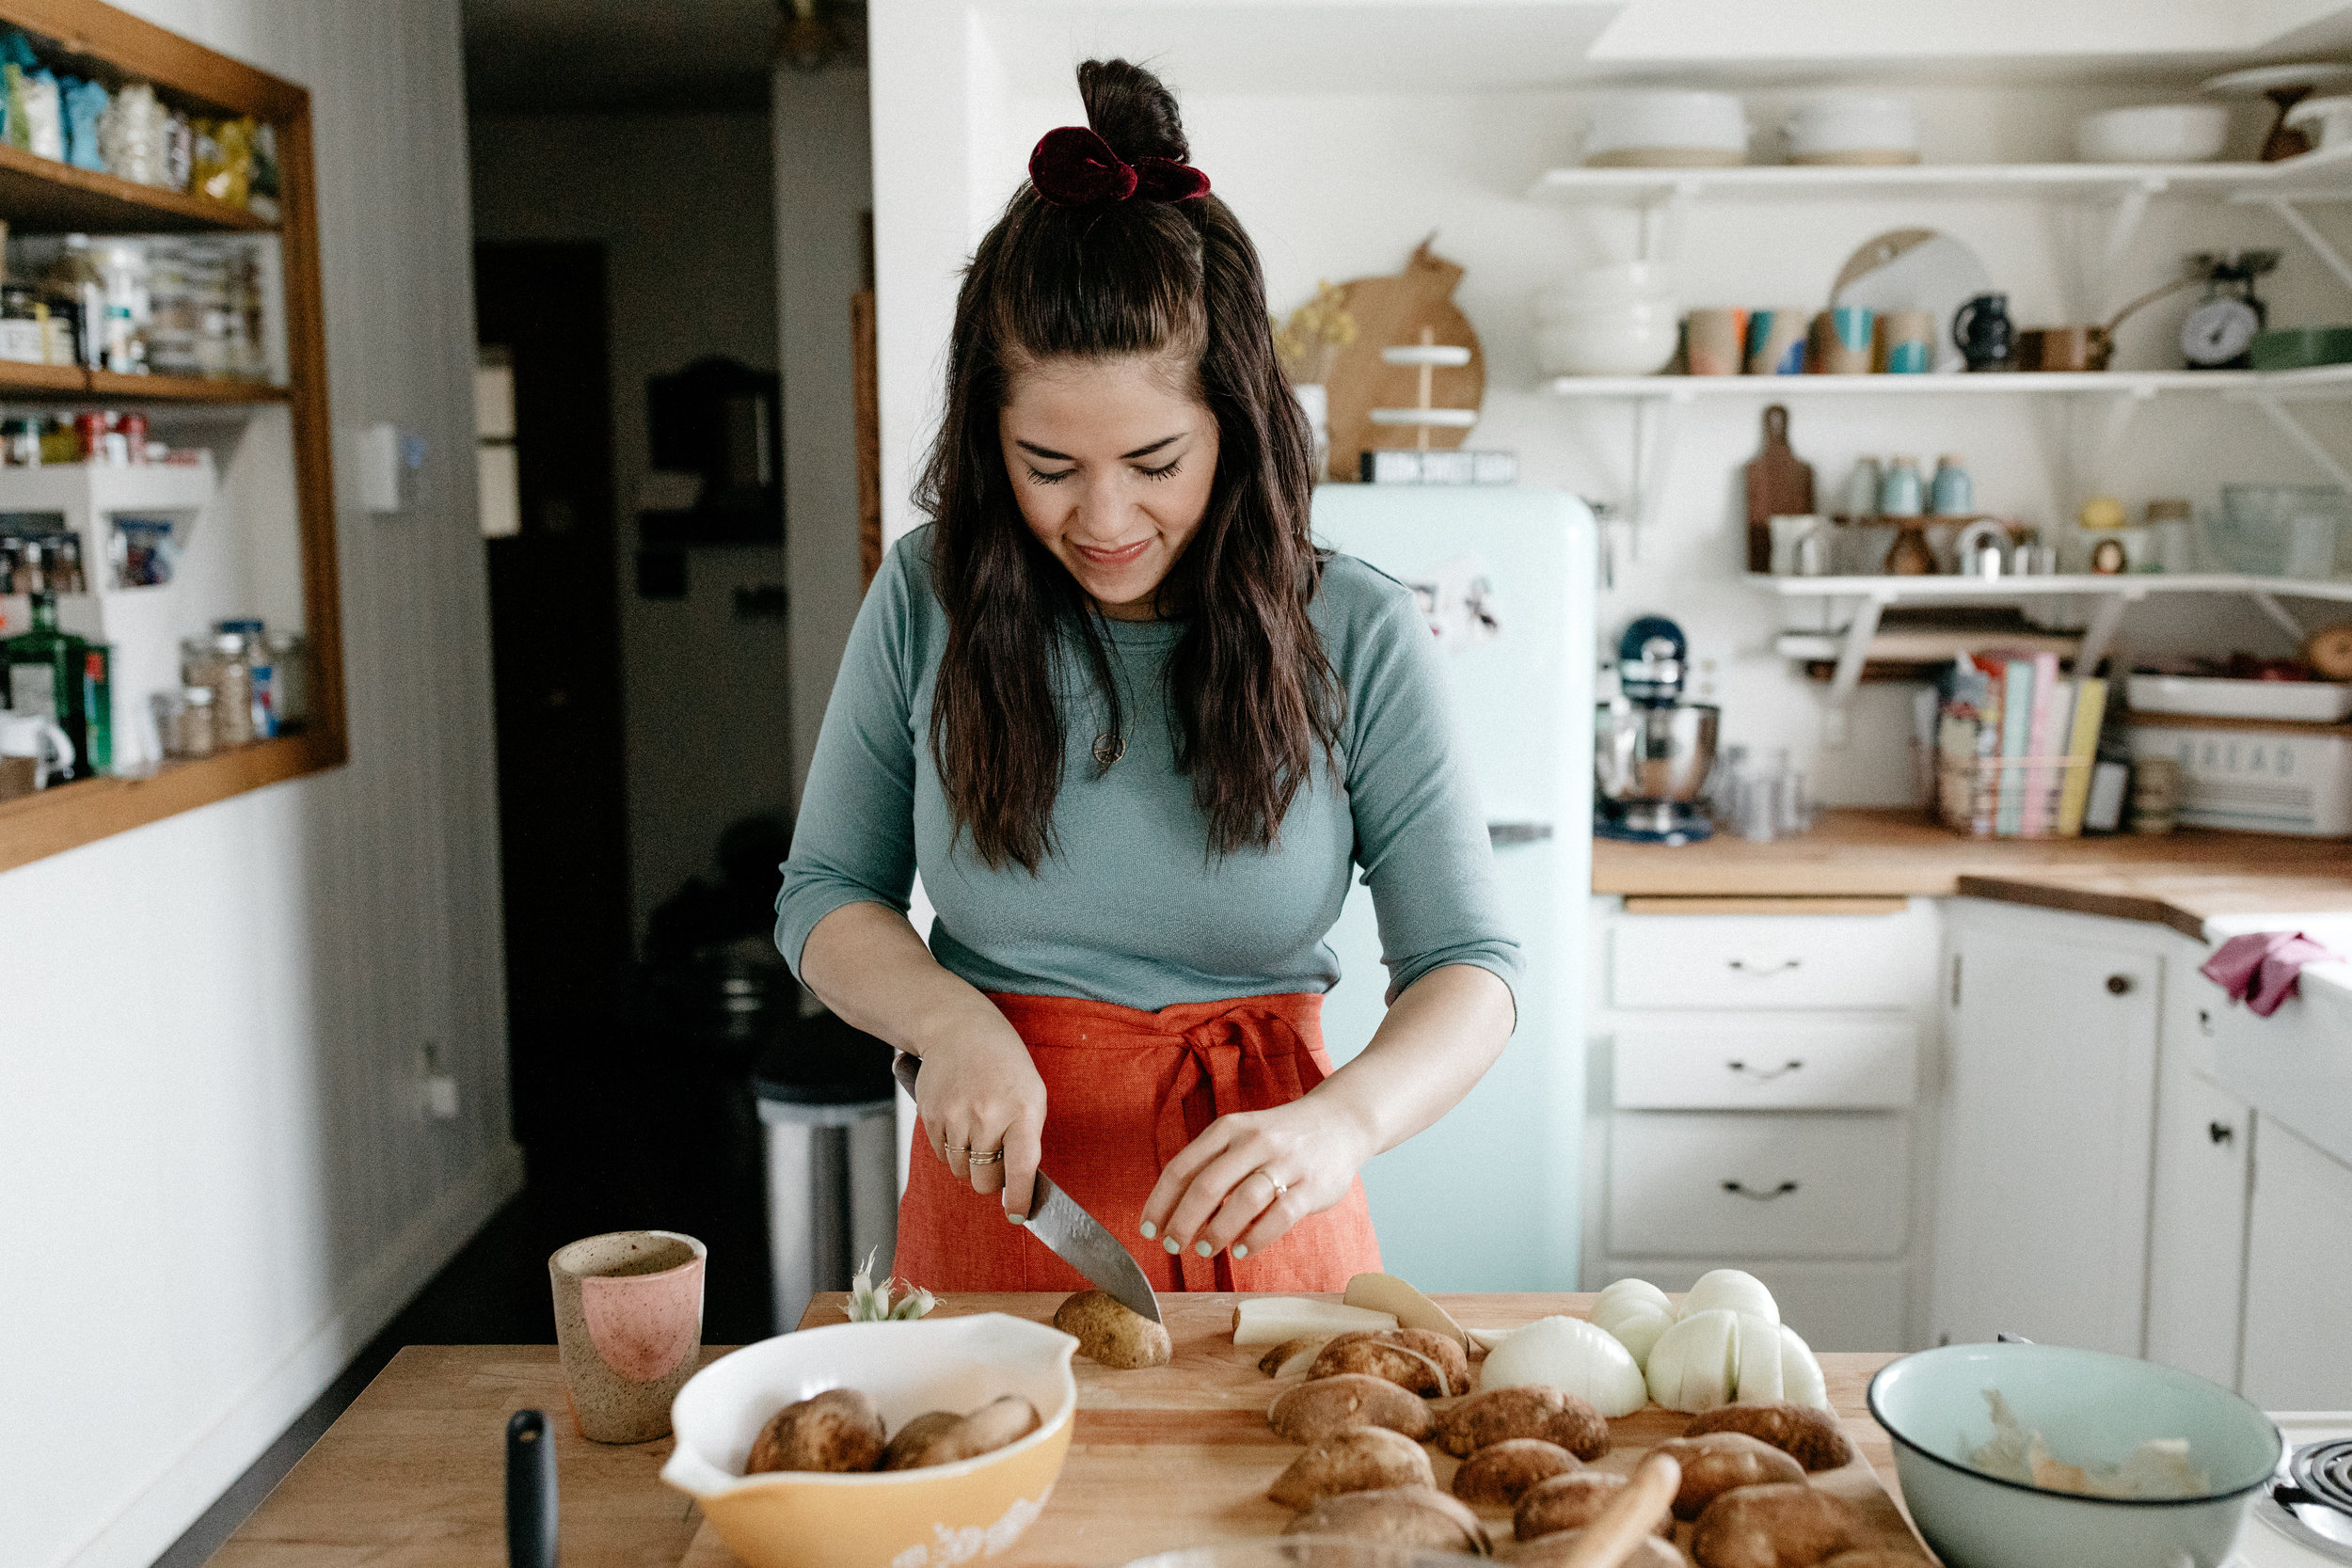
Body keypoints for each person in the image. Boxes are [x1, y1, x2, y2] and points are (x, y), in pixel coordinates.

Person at [775, 58, 1518, 1293]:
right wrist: (948, 1020)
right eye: (1048, 463)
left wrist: (1347, 1122)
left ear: (1236, 422)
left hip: (1268, 1223)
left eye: (1156, 458)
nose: (1104, 515)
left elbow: (1471, 969)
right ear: (987, 435)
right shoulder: (929, 598)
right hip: (997, 1215)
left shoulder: (1360, 631)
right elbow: (824, 896)